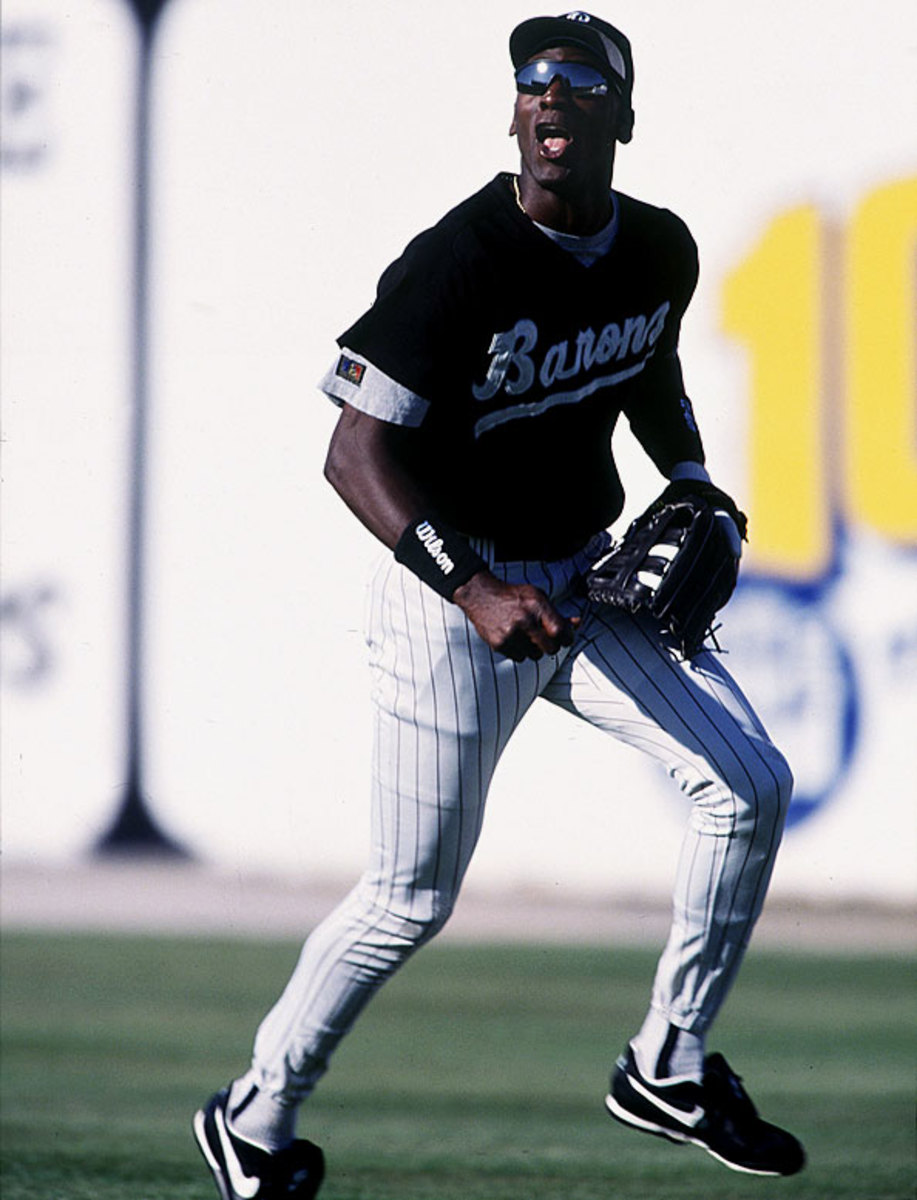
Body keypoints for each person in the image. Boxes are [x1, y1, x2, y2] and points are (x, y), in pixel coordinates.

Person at [193, 12, 805, 1197]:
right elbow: (354, 452)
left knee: (747, 787)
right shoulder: (457, 260)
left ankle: (666, 1065)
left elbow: (651, 369)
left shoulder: (657, 250)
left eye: (579, 83)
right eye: (532, 84)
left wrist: (687, 480)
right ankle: (254, 1115)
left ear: (620, 119)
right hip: (449, 598)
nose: (550, 100)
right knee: (407, 899)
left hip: (581, 577)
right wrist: (468, 586)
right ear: (513, 113)